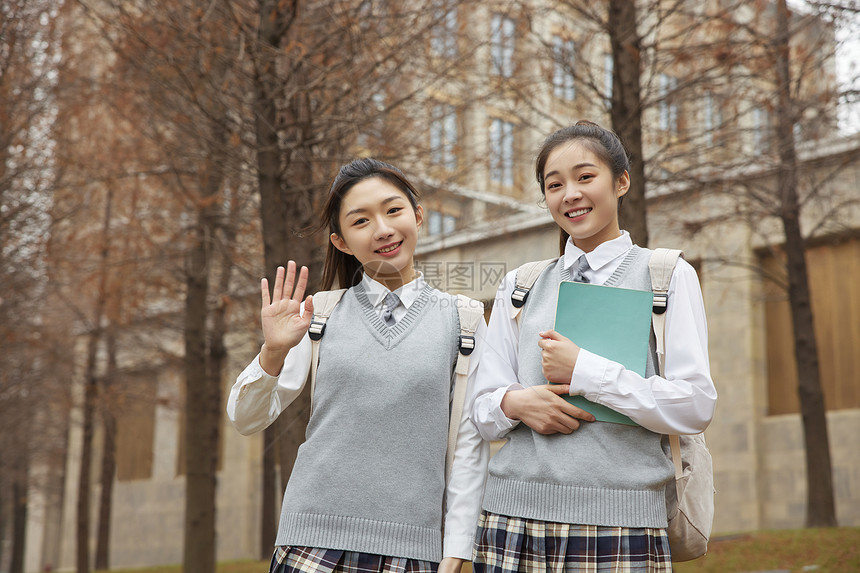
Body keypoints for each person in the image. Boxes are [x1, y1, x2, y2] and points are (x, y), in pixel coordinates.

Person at [470, 121, 717, 572]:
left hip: (621, 526)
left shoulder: (665, 276)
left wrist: (586, 372)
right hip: (510, 520)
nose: (570, 194)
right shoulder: (520, 285)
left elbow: (695, 406)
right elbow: (482, 410)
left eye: (585, 177)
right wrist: (518, 403)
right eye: (554, 184)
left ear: (621, 181)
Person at [227, 158, 489, 573]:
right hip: (310, 547)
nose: (383, 229)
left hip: (414, 550)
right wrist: (273, 352)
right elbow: (245, 418)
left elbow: (471, 448)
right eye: (361, 220)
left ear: (418, 217)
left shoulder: (465, 321)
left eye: (393, 210)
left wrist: (456, 549)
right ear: (342, 242)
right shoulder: (319, 316)